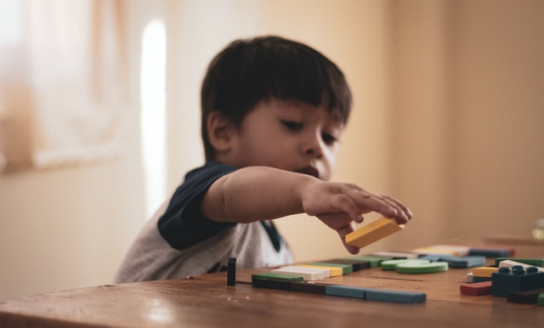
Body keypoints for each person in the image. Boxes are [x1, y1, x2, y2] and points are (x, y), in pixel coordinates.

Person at [114, 35, 412, 283]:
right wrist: (303, 189)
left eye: (330, 136)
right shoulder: (207, 194)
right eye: (293, 124)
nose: (317, 147)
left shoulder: (277, 248)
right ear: (224, 132)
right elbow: (234, 194)